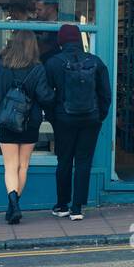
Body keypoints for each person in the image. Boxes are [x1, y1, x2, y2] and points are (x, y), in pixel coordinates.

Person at [44, 23, 111, 220]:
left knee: (64, 161)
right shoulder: (96, 62)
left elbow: (47, 95)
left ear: (61, 41)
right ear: (80, 39)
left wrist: (53, 117)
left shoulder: (53, 63)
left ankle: (62, 205)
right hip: (91, 119)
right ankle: (77, 208)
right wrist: (99, 116)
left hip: (64, 119)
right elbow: (105, 94)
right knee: (84, 161)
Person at [0, 30, 53, 224]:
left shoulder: (2, 65)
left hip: (7, 119)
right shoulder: (38, 68)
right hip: (30, 122)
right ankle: (15, 205)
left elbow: (0, 91)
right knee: (23, 165)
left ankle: (13, 205)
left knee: (10, 166)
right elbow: (45, 97)